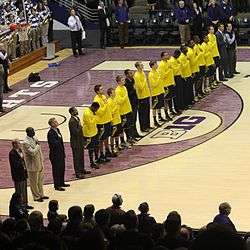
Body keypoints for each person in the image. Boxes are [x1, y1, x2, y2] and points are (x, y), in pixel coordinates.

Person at [23, 127, 48, 202]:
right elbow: (32, 153)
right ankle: (36, 196)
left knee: (40, 180)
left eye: (33, 130)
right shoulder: (26, 142)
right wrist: (38, 145)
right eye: (32, 131)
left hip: (39, 163)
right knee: (33, 182)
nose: (34, 132)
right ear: (28, 132)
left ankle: (41, 194)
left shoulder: (34, 138)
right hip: (32, 165)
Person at [9, 139, 33, 209]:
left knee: (24, 190)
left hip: (23, 173)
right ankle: (20, 206)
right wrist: (21, 158)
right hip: (18, 175)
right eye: (19, 143)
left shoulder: (20, 151)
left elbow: (23, 162)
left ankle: (25, 204)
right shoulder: (12, 153)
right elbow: (15, 165)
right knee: (19, 191)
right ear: (14, 145)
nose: (20, 145)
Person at [47, 117, 70, 191]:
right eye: (55, 122)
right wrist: (59, 139)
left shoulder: (57, 130)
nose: (57, 122)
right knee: (56, 170)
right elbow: (54, 143)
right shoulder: (50, 133)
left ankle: (61, 182)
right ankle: (57, 185)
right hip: (55, 154)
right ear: (52, 124)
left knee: (61, 168)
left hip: (60, 153)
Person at [68, 107, 91, 179]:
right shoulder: (72, 121)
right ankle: (77, 172)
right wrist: (80, 127)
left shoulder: (77, 118)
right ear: (71, 112)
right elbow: (75, 132)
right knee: (76, 158)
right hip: (75, 142)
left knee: (81, 156)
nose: (76, 111)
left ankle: (82, 169)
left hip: (80, 141)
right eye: (75, 110)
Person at [93, 84, 113, 162]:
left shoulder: (104, 97)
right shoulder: (96, 100)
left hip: (107, 120)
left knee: (107, 136)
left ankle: (107, 151)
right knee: (101, 139)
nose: (102, 90)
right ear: (97, 91)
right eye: (101, 89)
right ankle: (101, 154)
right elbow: (99, 112)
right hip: (101, 122)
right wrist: (105, 105)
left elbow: (107, 108)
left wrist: (110, 118)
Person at [115, 75, 133, 145]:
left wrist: (130, 108)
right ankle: (122, 141)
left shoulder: (124, 87)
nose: (124, 81)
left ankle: (129, 139)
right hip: (122, 112)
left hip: (127, 109)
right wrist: (125, 96)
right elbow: (120, 101)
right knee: (123, 127)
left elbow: (126, 100)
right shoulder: (117, 90)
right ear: (119, 82)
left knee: (128, 126)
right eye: (122, 80)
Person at [158, 51, 176, 120]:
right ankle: (166, 114)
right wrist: (169, 69)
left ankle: (171, 110)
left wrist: (173, 81)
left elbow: (171, 73)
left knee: (170, 98)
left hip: (170, 83)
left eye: (168, 55)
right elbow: (163, 76)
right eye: (166, 55)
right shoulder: (161, 65)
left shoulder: (168, 62)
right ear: (162, 57)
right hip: (165, 85)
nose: (168, 56)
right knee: (165, 100)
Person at [134, 61, 151, 133]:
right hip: (141, 97)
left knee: (147, 111)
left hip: (146, 95)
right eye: (141, 65)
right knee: (142, 113)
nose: (142, 66)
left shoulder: (143, 73)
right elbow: (140, 87)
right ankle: (143, 127)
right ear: (137, 67)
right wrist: (144, 80)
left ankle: (147, 125)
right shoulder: (137, 75)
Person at [82, 102, 100, 169]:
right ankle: (91, 162)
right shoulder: (87, 113)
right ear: (93, 107)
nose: (96, 111)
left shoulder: (92, 112)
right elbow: (90, 123)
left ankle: (96, 159)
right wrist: (95, 117)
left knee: (95, 146)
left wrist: (95, 118)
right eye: (96, 109)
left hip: (94, 132)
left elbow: (95, 121)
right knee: (90, 149)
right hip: (88, 133)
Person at [124, 69, 141, 139]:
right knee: (131, 120)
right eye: (130, 73)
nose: (132, 74)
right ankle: (131, 135)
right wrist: (133, 89)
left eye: (132, 73)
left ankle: (135, 133)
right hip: (130, 104)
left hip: (135, 102)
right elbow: (128, 95)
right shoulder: (126, 84)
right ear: (127, 75)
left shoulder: (133, 80)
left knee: (134, 119)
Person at [148, 60, 165, 127]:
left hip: (160, 91)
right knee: (155, 107)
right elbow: (154, 84)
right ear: (152, 66)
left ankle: (160, 117)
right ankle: (155, 120)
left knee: (159, 105)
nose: (157, 65)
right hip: (155, 93)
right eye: (156, 64)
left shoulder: (157, 72)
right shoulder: (151, 74)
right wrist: (159, 78)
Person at [107, 88, 123, 154]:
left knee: (117, 134)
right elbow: (110, 112)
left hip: (118, 119)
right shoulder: (109, 102)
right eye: (113, 92)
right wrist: (116, 107)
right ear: (110, 94)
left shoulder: (115, 99)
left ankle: (117, 145)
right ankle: (112, 148)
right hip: (114, 121)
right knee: (112, 135)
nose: (115, 93)